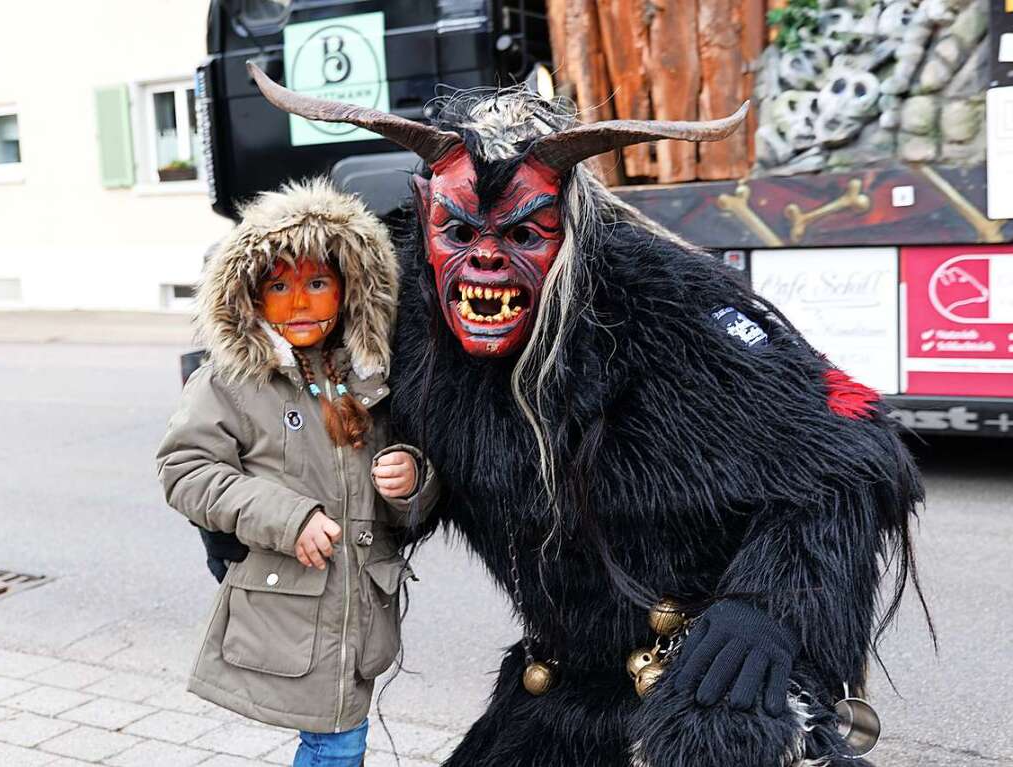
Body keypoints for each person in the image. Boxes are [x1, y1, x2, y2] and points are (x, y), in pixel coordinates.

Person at [250, 68, 931, 767]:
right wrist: (265, 516)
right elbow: (296, 413)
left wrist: (769, 608)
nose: (485, 258)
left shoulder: (663, 301)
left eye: (522, 232)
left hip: (705, 686)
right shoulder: (401, 323)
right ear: (426, 211)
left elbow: (854, 443)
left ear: (566, 219)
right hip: (558, 683)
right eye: (458, 230)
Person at [156, 179, 439, 767]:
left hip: (359, 606)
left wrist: (413, 478)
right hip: (291, 605)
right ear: (250, 297)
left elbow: (415, 487)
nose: (300, 302)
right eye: (278, 286)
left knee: (338, 732)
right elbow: (184, 469)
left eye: (316, 283)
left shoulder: (373, 377)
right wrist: (288, 517)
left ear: (349, 288)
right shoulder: (230, 382)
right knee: (338, 740)